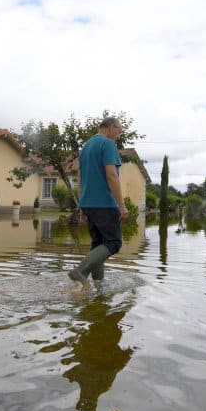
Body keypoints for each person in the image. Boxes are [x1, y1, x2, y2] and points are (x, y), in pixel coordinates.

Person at [68, 117, 129, 290]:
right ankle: (80, 271)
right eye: (119, 131)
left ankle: (99, 286)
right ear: (111, 127)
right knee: (113, 243)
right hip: (104, 204)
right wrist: (121, 205)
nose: (119, 135)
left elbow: (80, 177)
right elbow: (112, 175)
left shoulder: (86, 146)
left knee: (98, 244)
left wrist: (82, 205)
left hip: (89, 203)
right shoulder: (108, 144)